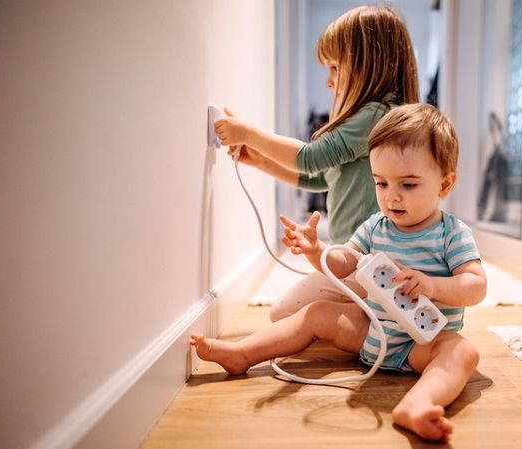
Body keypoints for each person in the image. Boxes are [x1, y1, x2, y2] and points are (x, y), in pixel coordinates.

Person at [192, 104, 487, 443]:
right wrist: (318, 251)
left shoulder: (452, 234)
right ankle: (243, 353)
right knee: (317, 313)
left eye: (408, 184)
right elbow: (345, 262)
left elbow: (475, 286)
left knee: (462, 352)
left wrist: (434, 285)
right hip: (370, 332)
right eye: (381, 183)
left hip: (423, 344)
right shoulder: (376, 226)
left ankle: (418, 404)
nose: (391, 196)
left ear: (445, 184)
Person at [214, 5, 420, 321]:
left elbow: (310, 159)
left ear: (368, 64)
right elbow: (323, 179)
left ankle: (372, 307)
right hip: (353, 257)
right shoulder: (377, 115)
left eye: (335, 68)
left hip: (366, 261)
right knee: (288, 310)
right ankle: (369, 305)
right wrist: (261, 161)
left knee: (281, 314)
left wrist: (250, 134)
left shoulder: (376, 117)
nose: (329, 81)